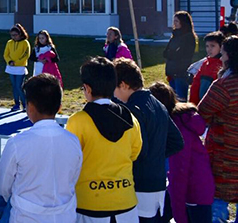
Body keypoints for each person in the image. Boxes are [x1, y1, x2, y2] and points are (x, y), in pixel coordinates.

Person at [0, 74, 82, 223]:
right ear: (60, 107)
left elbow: (3, 186)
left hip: (25, 217)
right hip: (65, 216)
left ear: (29, 107)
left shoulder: (17, 143)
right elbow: (73, 177)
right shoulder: (73, 141)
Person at [65, 57, 143, 223]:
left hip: (90, 204)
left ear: (87, 88)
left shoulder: (78, 121)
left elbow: (69, 161)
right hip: (126, 201)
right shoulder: (130, 118)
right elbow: (135, 153)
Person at [113, 58, 184, 222]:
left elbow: (139, 150)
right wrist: (156, 155)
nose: (114, 94)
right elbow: (177, 141)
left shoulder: (131, 110)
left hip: (140, 185)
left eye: (114, 88)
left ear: (123, 85)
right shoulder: (157, 104)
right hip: (158, 183)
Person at [149, 82, 214, 223]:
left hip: (194, 194)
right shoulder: (182, 120)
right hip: (198, 189)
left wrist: (180, 217)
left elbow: (179, 175)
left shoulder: (176, 132)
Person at [198, 35, 238, 222]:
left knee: (219, 201)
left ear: (231, 56)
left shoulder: (224, 86)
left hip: (224, 154)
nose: (221, 59)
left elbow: (202, 114)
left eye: (223, 54)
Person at [164, 11, 197, 101]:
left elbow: (183, 54)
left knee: (181, 99)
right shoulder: (175, 35)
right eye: (174, 21)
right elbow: (167, 52)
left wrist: (172, 54)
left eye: (177, 21)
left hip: (181, 72)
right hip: (171, 70)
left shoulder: (188, 37)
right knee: (172, 99)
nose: (174, 23)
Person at [188, 31, 224, 105]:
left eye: (212, 46)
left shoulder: (222, 65)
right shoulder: (205, 64)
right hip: (200, 104)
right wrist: (193, 104)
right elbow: (195, 84)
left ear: (221, 47)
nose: (209, 49)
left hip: (213, 107)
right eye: (207, 46)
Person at [4, 23, 30, 111]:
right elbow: (6, 54)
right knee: (14, 86)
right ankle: (16, 104)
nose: (13, 37)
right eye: (12, 35)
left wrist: (17, 62)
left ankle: (25, 104)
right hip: (11, 68)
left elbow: (26, 55)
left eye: (15, 35)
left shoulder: (25, 43)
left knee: (19, 86)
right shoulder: (9, 42)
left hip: (20, 68)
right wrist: (10, 61)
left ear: (20, 34)